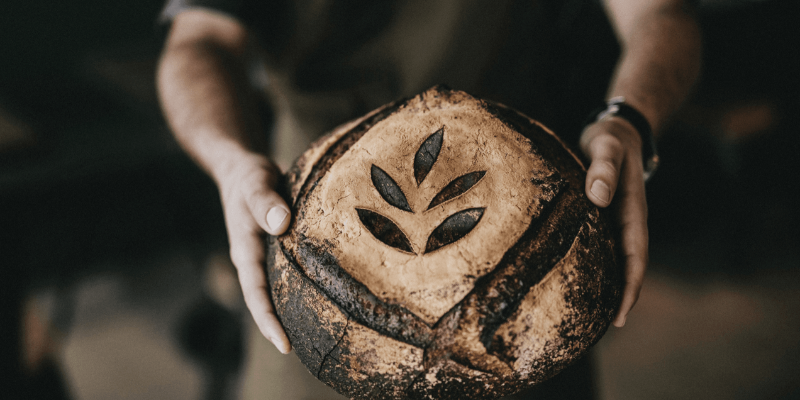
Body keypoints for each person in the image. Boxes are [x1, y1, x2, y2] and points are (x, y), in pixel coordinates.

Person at [156, 0, 701, 392]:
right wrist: (231, 162)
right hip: (311, 222)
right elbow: (197, 42)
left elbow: (661, 15)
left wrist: (628, 120)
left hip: (528, 197)